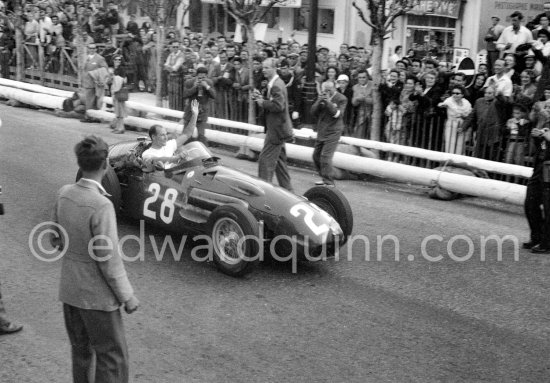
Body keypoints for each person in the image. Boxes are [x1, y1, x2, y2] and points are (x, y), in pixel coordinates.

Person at [52, 136, 139, 382]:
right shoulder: (101, 205)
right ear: (106, 165)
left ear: (80, 163)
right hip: (97, 298)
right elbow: (108, 260)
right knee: (112, 357)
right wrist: (127, 296)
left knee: (81, 353)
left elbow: (55, 240)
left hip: (69, 291)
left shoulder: (64, 194)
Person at [252, 57, 294, 191]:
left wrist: (262, 103)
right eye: (263, 67)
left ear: (274, 68)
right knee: (280, 164)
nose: (263, 70)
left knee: (265, 161)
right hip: (279, 129)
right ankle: (289, 191)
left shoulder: (276, 84)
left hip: (276, 130)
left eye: (266, 68)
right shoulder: (276, 83)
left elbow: (278, 106)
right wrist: (261, 98)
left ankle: (264, 193)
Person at [524, 100, 550, 253]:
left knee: (548, 207)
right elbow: (542, 147)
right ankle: (537, 236)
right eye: (546, 106)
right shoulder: (544, 123)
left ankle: (546, 243)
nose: (546, 110)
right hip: (540, 167)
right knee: (530, 203)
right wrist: (537, 137)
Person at [142, 100, 199, 169]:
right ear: (154, 137)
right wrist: (175, 158)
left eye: (166, 134)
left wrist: (195, 115)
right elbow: (155, 160)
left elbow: (188, 133)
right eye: (162, 135)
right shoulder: (147, 153)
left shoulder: (169, 145)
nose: (166, 137)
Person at [310, 81, 347, 186]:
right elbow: (312, 112)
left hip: (334, 131)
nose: (326, 92)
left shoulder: (342, 98)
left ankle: (329, 182)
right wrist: (319, 101)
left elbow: (338, 114)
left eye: (329, 89)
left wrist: (328, 102)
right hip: (322, 130)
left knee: (326, 157)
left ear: (334, 88)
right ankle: (324, 177)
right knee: (316, 156)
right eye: (324, 90)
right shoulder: (321, 97)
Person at [182, 66, 216, 145]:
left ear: (206, 76)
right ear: (196, 75)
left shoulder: (209, 83)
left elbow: (214, 96)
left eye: (203, 77)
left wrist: (207, 87)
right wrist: (195, 87)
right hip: (190, 112)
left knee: (201, 135)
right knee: (186, 135)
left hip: (202, 112)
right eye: (199, 77)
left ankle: (203, 154)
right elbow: (185, 95)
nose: (201, 79)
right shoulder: (189, 82)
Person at [438, 85, 472, 155]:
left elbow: (469, 114)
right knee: (450, 143)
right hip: (451, 124)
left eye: (457, 93)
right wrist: (442, 105)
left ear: (462, 94)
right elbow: (443, 104)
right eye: (453, 93)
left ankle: (458, 163)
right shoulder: (449, 100)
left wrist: (463, 116)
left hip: (462, 124)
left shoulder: (466, 103)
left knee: (460, 145)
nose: (454, 95)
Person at [81, 43, 108, 123]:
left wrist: (98, 76)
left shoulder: (99, 58)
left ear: (96, 49)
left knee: (92, 101)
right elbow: (83, 70)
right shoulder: (86, 57)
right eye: (90, 48)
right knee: (88, 100)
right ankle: (91, 116)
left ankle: (89, 116)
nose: (92, 50)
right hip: (86, 82)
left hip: (94, 83)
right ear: (88, 49)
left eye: (93, 48)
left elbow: (105, 69)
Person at [110, 54, 127, 134]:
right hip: (116, 91)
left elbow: (122, 81)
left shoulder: (121, 69)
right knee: (117, 111)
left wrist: (115, 90)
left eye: (119, 60)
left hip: (119, 92)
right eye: (116, 59)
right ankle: (118, 127)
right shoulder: (115, 69)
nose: (117, 61)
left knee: (120, 111)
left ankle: (121, 128)